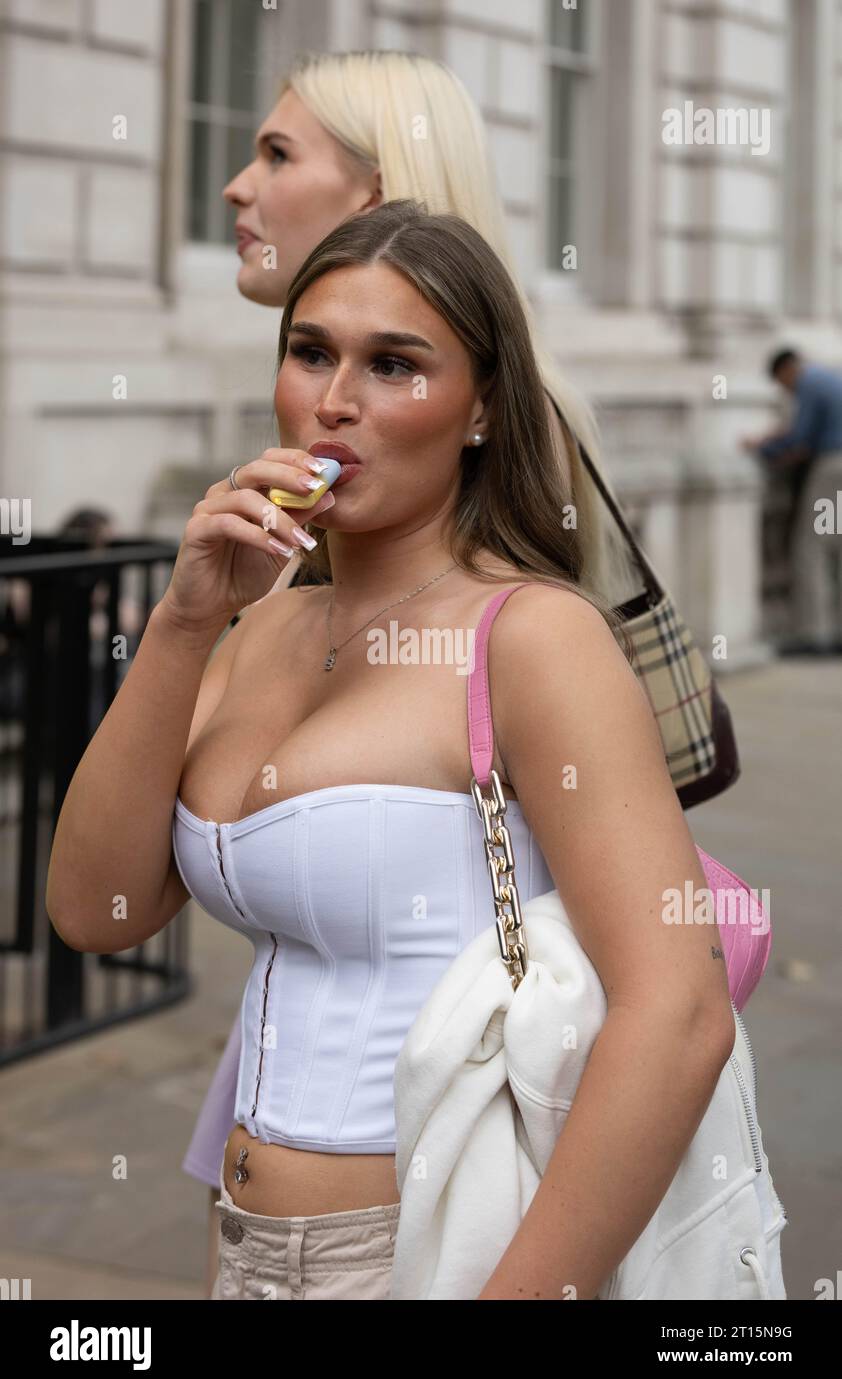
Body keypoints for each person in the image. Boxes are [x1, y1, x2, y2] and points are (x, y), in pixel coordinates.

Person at [47, 198, 736, 1300]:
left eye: (394, 364)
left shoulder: (534, 637)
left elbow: (680, 1010)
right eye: (309, 351)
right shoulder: (257, 628)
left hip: (431, 1251)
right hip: (239, 1249)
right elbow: (95, 913)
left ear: (480, 409)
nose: (333, 402)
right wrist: (182, 623)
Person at [183, 46, 641, 1293]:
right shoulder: (287, 542)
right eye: (312, 354)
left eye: (277, 156)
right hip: (265, 1186)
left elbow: (632, 946)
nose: (237, 186)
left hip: (441, 1193)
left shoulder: (512, 566)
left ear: (380, 191)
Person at [743, 347, 842, 655]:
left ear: (786, 370)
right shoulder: (828, 376)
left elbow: (800, 438)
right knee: (835, 546)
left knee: (811, 548)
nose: (785, 390)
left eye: (781, 383)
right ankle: (835, 629)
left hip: (831, 468)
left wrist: (762, 447)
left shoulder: (809, 382)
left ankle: (814, 634)